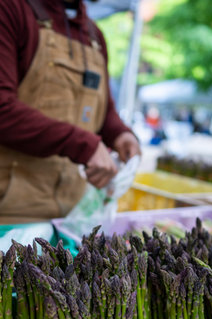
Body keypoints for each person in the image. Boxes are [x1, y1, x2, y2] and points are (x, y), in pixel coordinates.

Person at [0, 0, 141, 223]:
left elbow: (104, 111)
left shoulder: (95, 36)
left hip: (73, 214)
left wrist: (121, 134)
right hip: (11, 212)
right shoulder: (11, 9)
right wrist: (83, 144)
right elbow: (2, 109)